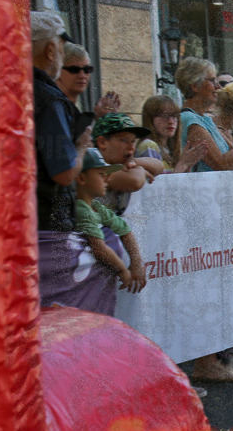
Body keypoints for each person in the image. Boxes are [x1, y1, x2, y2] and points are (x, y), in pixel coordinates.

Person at [31, 11, 92, 232]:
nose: (61, 54)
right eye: (61, 47)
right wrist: (81, 147)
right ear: (50, 50)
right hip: (49, 225)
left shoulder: (7, 89)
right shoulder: (49, 100)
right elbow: (64, 174)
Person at [74, 147, 146, 296]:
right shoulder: (81, 209)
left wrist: (136, 262)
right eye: (101, 174)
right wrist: (122, 269)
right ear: (81, 179)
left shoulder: (96, 206)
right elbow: (99, 248)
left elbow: (125, 230)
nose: (107, 179)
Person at [91, 113, 153, 216]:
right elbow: (135, 181)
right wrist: (140, 170)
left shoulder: (121, 164)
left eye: (133, 141)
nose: (131, 147)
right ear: (102, 142)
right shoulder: (95, 168)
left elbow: (158, 166)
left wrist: (135, 162)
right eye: (124, 140)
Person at [55, 42, 120, 132]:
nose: (82, 75)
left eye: (87, 70)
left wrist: (101, 119)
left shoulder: (70, 109)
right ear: (58, 71)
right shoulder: (54, 106)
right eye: (74, 70)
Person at [135, 95, 206, 174]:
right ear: (150, 119)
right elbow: (158, 184)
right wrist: (182, 164)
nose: (171, 121)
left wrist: (188, 164)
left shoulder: (169, 149)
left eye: (174, 116)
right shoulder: (148, 145)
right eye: (164, 116)